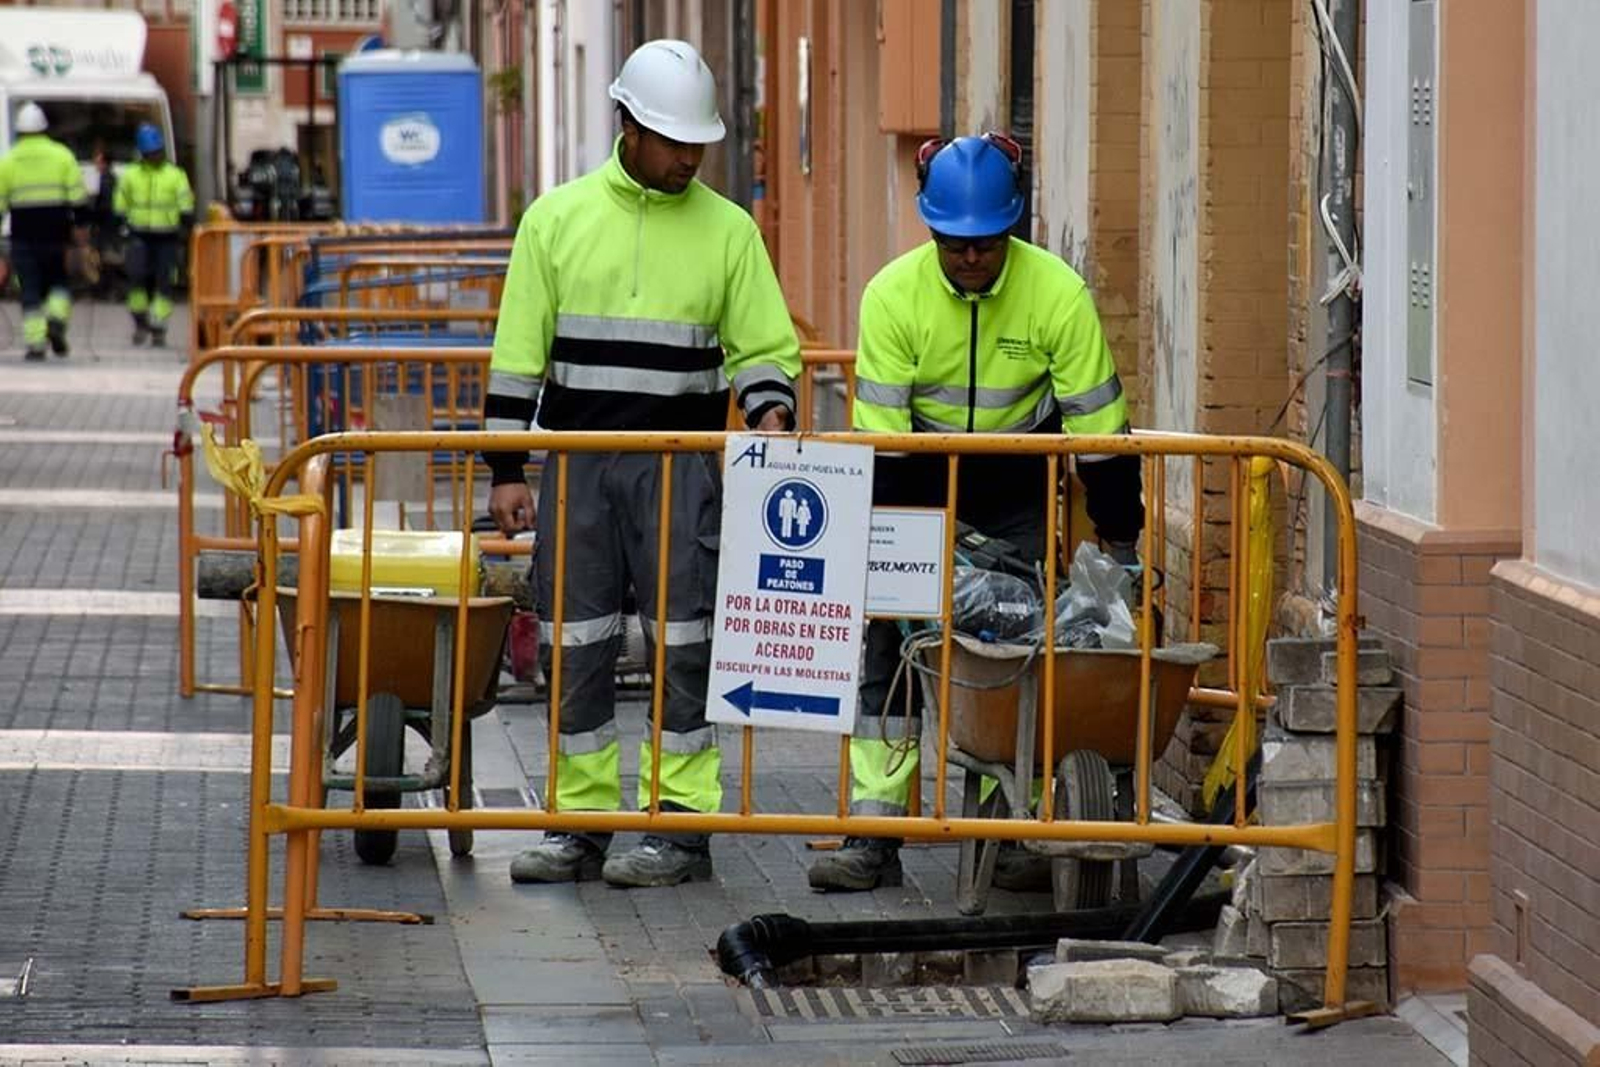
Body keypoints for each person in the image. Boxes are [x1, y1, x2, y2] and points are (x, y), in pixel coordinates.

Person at [482, 39, 801, 889]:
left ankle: (680, 827)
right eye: (673, 140)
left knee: (683, 643)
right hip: (578, 464)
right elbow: (517, 357)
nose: (690, 156)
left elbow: (763, 344)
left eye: (698, 142)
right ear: (628, 126)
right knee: (573, 640)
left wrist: (771, 405)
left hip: (682, 467)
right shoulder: (555, 220)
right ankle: (580, 823)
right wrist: (506, 467)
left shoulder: (729, 231)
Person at [807, 133, 1146, 892]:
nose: (969, 258)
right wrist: (895, 562)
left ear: (1012, 228)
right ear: (931, 229)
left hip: (1016, 483)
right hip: (916, 478)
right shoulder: (892, 295)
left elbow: (1099, 432)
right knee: (889, 654)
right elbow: (884, 446)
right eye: (954, 243)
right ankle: (875, 828)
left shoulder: (1056, 293)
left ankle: (1006, 830)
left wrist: (1121, 537)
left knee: (1015, 650)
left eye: (986, 244)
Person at [0, 102, 86, 361]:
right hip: (56, 235)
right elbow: (78, 198)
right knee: (58, 281)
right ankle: (57, 322)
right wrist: (81, 232)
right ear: (44, 128)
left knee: (30, 290)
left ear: (20, 131)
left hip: (23, 237)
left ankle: (36, 345)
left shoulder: (8, 160)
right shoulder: (62, 155)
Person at [113, 122, 194, 347]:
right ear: (142, 153)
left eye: (157, 152)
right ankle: (140, 322)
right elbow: (120, 203)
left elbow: (185, 203)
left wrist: (186, 225)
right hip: (139, 235)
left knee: (164, 283)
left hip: (167, 237)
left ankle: (158, 327)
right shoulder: (131, 176)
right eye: (151, 153)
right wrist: (120, 226)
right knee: (137, 280)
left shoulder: (176, 175)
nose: (155, 156)